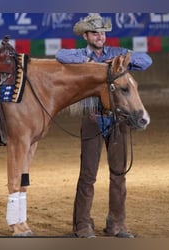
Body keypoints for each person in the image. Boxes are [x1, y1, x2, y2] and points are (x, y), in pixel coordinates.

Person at [55, 13, 152, 238]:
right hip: (92, 117)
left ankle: (117, 224)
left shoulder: (117, 54)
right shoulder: (80, 55)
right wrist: (92, 64)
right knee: (88, 174)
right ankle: (82, 225)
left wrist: (124, 60)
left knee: (119, 173)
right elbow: (60, 55)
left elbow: (146, 61)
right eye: (95, 33)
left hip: (117, 119)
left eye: (102, 32)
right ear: (86, 36)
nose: (100, 36)